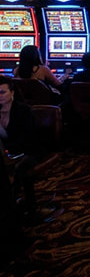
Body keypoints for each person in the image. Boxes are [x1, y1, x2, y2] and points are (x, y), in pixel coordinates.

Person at [0, 75, 39, 217]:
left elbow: (28, 138)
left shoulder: (23, 111)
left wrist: (7, 150)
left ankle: (13, 207)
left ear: (12, 92)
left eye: (2, 92)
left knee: (15, 170)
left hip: (27, 150)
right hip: (6, 153)